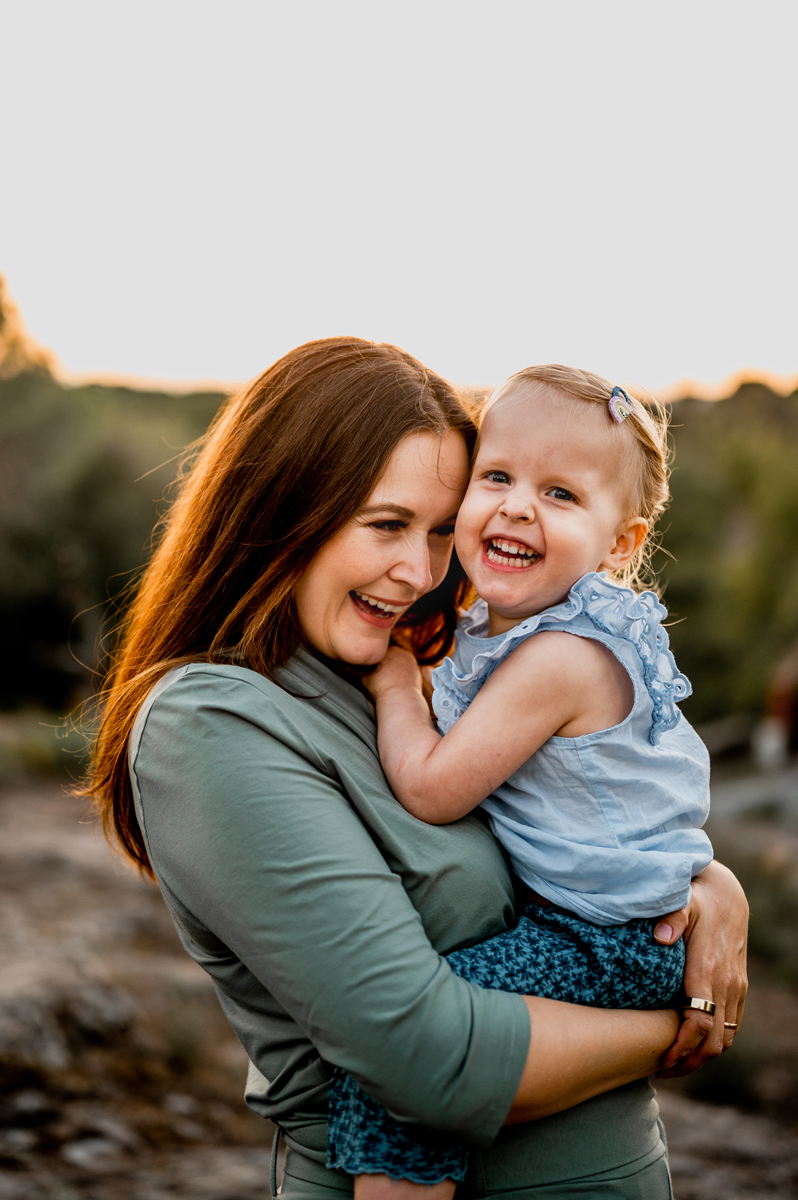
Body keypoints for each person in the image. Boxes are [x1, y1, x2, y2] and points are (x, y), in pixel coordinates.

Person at [85, 338, 748, 1200]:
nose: (420, 571)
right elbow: (427, 1060)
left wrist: (704, 883)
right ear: (284, 508)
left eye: (439, 531)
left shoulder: (408, 675)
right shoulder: (211, 721)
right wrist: (676, 1018)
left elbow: (569, 820)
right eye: (386, 525)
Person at [327, 364, 716, 1193]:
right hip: (596, 920)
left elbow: (433, 788)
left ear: (621, 545)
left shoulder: (559, 658)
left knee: (410, 1058)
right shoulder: (511, 631)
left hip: (609, 944)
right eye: (496, 476)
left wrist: (398, 686)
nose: (516, 505)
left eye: (561, 494)